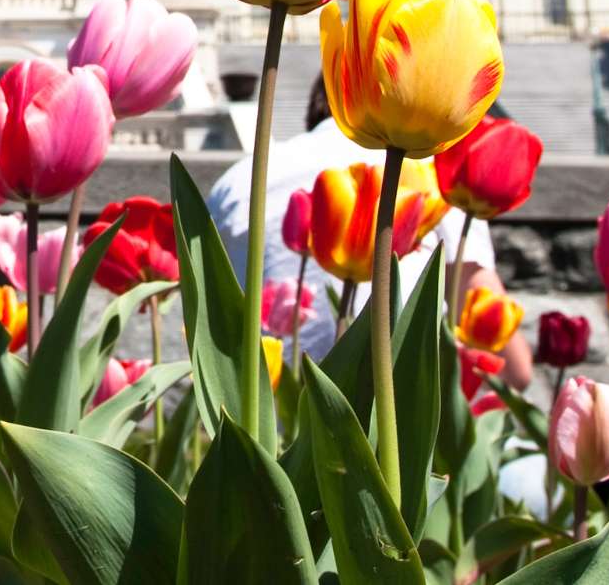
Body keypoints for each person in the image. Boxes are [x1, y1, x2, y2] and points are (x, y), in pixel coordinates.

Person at [208, 76, 533, 387]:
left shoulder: (236, 181)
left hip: (265, 426)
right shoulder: (434, 181)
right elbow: (514, 368)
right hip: (393, 425)